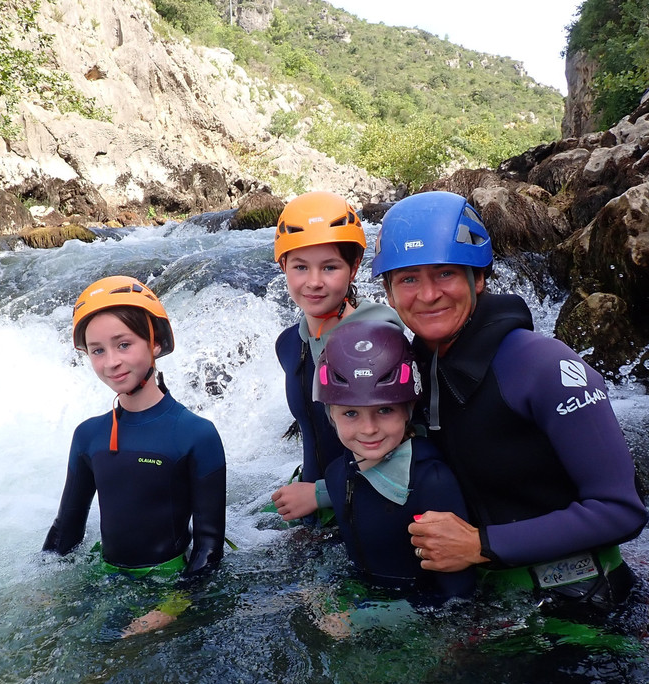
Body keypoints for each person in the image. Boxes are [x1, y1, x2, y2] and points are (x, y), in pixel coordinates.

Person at [370, 191, 647, 611]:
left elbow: (621, 510)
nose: (427, 295)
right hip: (489, 601)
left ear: (478, 279)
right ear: (389, 293)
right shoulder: (414, 367)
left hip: (585, 604)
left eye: (445, 273)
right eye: (408, 279)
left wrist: (481, 544)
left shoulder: (543, 366)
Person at [42, 275, 227, 635]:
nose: (111, 362)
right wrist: (42, 585)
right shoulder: (88, 435)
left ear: (155, 342)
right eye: (97, 350)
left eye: (124, 344)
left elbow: (209, 546)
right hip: (105, 577)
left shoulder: (196, 434)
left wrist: (172, 607)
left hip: (169, 583)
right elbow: (66, 530)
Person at [312, 319, 475, 627]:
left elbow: (459, 597)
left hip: (420, 622)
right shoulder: (338, 473)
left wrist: (365, 618)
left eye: (385, 410)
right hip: (366, 599)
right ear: (331, 415)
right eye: (350, 413)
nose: (369, 429)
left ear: (408, 408)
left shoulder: (431, 482)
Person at [270, 191, 403, 524]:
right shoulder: (289, 343)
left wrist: (320, 494)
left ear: (354, 268)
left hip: (369, 509)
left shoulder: (379, 338)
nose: (314, 282)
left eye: (330, 267)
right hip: (314, 508)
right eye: (300, 267)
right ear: (284, 266)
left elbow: (404, 447)